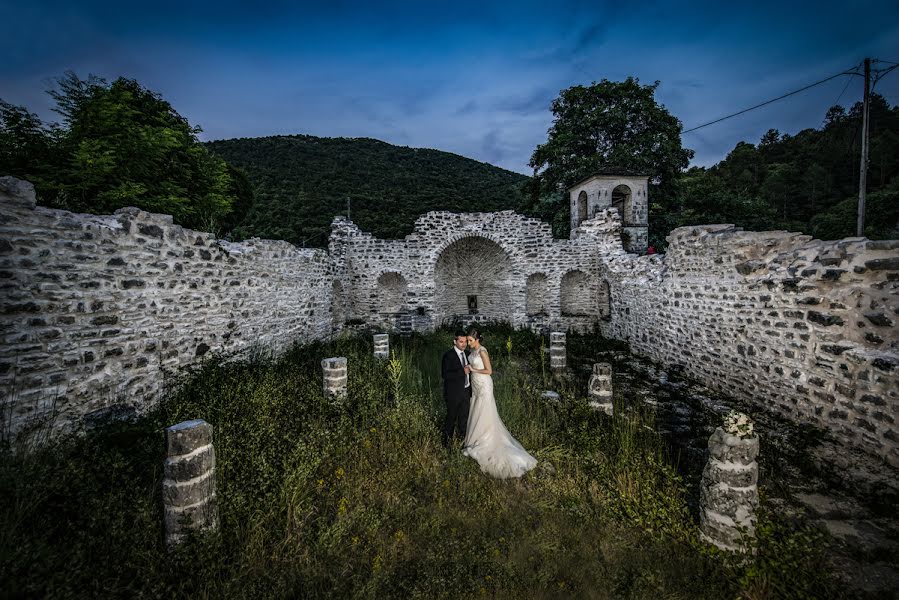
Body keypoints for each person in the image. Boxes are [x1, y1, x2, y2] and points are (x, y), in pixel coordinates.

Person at [462, 327, 537, 479]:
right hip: (476, 386)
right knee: (476, 410)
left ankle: (487, 439)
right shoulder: (472, 352)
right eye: (468, 340)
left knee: (485, 411)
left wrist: (472, 369)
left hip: (484, 385)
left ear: (477, 340)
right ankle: (477, 437)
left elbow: (489, 371)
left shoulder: (482, 351)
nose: (469, 343)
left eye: (471, 341)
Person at [440, 330, 471, 447]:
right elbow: (445, 375)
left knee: (463, 419)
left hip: (466, 391)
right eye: (461, 341)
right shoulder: (448, 355)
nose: (464, 344)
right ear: (455, 341)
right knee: (451, 418)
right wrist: (462, 371)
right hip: (453, 393)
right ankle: (446, 445)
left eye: (465, 342)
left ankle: (462, 443)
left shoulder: (468, 354)